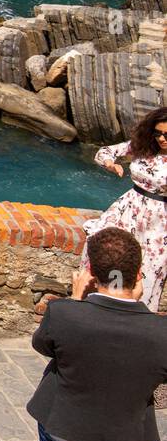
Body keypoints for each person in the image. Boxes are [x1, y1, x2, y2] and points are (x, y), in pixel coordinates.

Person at [27, 227, 167, 441]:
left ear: (90, 270)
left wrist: (75, 299)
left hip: (61, 427)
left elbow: (42, 345)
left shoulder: (64, 313)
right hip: (116, 439)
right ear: (139, 273)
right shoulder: (161, 332)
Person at [83, 107, 167, 312]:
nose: (161, 139)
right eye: (157, 133)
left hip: (159, 220)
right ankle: (93, 308)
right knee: (106, 251)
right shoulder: (143, 146)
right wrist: (110, 164)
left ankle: (138, 322)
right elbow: (105, 152)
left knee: (151, 270)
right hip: (128, 208)